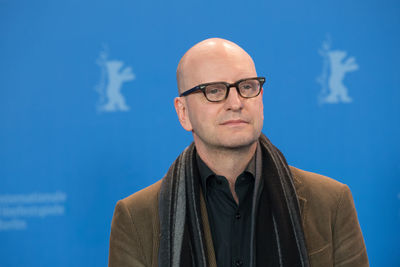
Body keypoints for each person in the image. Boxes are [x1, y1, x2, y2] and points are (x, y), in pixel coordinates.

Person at [108, 38, 369, 267]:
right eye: (214, 91)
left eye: (246, 87)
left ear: (261, 98)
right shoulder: (135, 217)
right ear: (183, 112)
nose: (236, 103)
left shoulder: (332, 202)